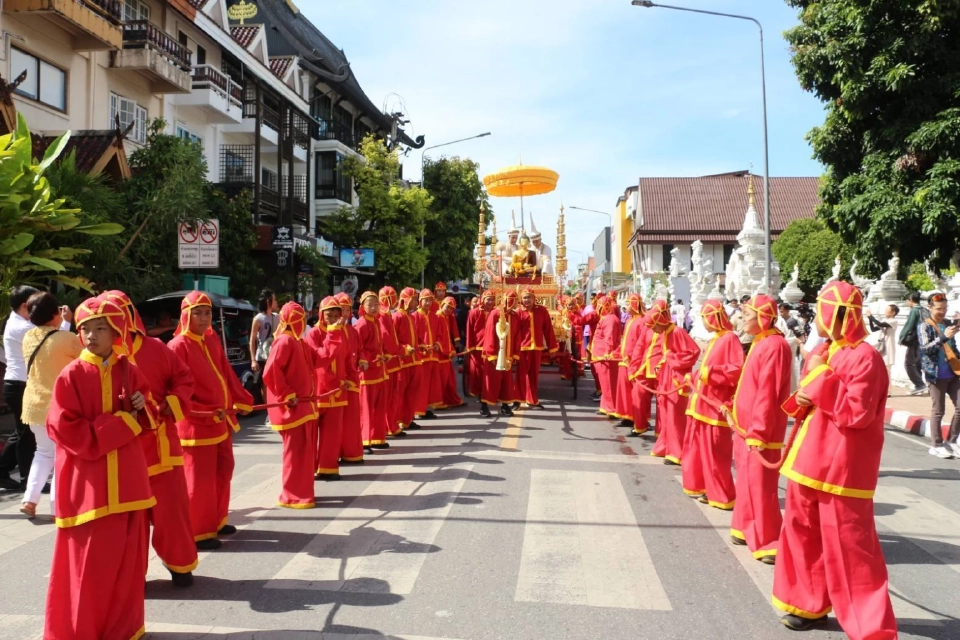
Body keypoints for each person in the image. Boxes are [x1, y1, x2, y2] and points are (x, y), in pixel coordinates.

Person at [773, 281, 897, 639]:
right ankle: (807, 604)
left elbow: (856, 413)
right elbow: (812, 399)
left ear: (839, 314)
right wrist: (814, 376)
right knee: (802, 536)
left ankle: (870, 626)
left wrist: (819, 374)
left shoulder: (864, 357)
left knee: (852, 551)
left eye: (823, 310)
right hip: (808, 462)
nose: (817, 319)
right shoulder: (828, 351)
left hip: (842, 469)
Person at [44, 298, 154, 640]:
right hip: (88, 488)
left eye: (100, 328)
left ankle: (124, 630)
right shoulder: (70, 375)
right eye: (85, 328)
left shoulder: (128, 369)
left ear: (115, 331)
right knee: (88, 570)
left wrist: (142, 407)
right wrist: (124, 423)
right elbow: (64, 428)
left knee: (127, 568)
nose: (91, 335)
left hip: (130, 486)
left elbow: (149, 414)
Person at [102, 290, 198, 587]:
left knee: (173, 514)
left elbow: (184, 377)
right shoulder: (99, 364)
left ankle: (181, 566)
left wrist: (174, 400)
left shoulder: (156, 348)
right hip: (124, 456)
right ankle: (132, 576)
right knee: (132, 523)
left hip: (163, 449)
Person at [168, 291, 253, 549]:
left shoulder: (212, 340)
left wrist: (242, 398)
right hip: (196, 425)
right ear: (186, 315)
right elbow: (176, 391)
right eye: (198, 313)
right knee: (199, 480)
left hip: (220, 421)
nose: (205, 318)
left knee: (223, 472)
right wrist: (200, 411)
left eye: (207, 313)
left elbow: (226, 373)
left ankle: (216, 520)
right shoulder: (178, 346)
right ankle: (198, 531)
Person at [727, 294, 791, 564]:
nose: (743, 318)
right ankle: (743, 526)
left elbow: (767, 392)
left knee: (760, 486)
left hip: (760, 429)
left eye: (748, 314)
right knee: (746, 480)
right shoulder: (761, 342)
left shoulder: (775, 345)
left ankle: (768, 540)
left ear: (764, 317)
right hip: (746, 425)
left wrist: (759, 431)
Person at [2, 285, 72, 492]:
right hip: (21, 384)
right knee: (28, 436)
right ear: (25, 305)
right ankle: (26, 479)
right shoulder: (24, 328)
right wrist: (66, 321)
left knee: (21, 432)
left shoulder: (21, 323)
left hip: (19, 383)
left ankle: (4, 469)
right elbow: (55, 342)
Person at [19, 292, 82, 518]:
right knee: (60, 456)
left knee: (43, 453)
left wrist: (64, 323)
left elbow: (53, 342)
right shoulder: (68, 339)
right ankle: (58, 508)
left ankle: (30, 499)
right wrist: (69, 321)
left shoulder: (29, 337)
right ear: (56, 313)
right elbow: (86, 359)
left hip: (33, 406)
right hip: (58, 406)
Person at [681, 300, 743, 509]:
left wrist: (708, 374)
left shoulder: (730, 338)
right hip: (703, 405)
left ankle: (723, 495)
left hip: (715, 406)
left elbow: (735, 370)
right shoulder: (717, 339)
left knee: (715, 454)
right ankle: (708, 488)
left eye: (704, 318)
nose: (703, 323)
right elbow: (708, 367)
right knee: (701, 453)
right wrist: (693, 376)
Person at [263, 302, 319, 507]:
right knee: (296, 453)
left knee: (304, 452)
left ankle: (302, 491)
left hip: (305, 406)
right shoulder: (285, 341)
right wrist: (287, 395)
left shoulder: (300, 342)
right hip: (293, 407)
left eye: (302, 317)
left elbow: (318, 360)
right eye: (297, 317)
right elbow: (270, 372)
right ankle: (292, 495)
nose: (301, 321)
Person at [633, 300, 700, 463]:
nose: (653, 330)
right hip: (665, 379)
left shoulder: (677, 332)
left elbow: (693, 352)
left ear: (661, 321)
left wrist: (671, 358)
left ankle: (677, 453)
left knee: (675, 417)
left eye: (654, 326)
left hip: (676, 381)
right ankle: (665, 446)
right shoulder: (666, 333)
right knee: (665, 416)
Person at [305, 296, 352, 479]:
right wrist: (336, 383)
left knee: (332, 433)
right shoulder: (313, 334)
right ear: (321, 315)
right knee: (312, 434)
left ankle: (328, 467)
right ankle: (309, 468)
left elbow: (348, 358)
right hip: (319, 392)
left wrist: (349, 378)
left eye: (335, 315)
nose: (332, 319)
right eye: (328, 315)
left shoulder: (342, 333)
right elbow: (319, 363)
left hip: (339, 390)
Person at [918, 292, 960, 458]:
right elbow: (925, 349)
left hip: (953, 373)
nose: (942, 311)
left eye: (944, 308)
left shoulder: (948, 324)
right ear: (930, 308)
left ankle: (951, 441)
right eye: (938, 308)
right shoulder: (925, 326)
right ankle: (936, 444)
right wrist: (943, 337)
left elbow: (953, 347)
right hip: (935, 374)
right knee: (938, 411)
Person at [355, 292, 390, 451]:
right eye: (370, 305)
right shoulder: (362, 324)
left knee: (379, 406)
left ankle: (377, 437)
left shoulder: (376, 322)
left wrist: (385, 355)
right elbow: (358, 349)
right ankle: (365, 439)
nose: (375, 307)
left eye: (377, 304)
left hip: (379, 370)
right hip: (368, 372)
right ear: (363, 307)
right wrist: (372, 359)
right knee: (367, 408)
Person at [333, 293, 366, 463]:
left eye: (347, 309)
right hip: (337, 383)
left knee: (352, 419)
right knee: (336, 423)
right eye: (342, 309)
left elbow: (360, 350)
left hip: (353, 380)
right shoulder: (330, 332)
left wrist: (362, 360)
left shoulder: (353, 331)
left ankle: (352, 452)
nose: (345, 313)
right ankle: (335, 453)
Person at [516, 288, 559, 409]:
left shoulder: (541, 311)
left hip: (537, 347)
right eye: (524, 298)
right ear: (521, 299)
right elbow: (514, 332)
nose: (527, 300)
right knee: (521, 375)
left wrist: (552, 348)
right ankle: (518, 400)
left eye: (529, 297)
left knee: (534, 374)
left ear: (534, 298)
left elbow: (548, 329)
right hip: (522, 348)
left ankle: (532, 399)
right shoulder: (518, 312)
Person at [480, 291, 521, 418]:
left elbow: (517, 337)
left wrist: (515, 354)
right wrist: (491, 354)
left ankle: (505, 406)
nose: (514, 304)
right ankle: (484, 406)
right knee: (490, 381)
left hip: (507, 355)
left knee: (506, 383)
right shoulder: (495, 314)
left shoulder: (514, 316)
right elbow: (490, 334)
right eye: (512, 301)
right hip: (495, 356)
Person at [394, 288, 424, 431]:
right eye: (414, 299)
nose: (416, 302)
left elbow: (415, 337)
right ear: (406, 300)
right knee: (400, 393)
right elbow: (393, 341)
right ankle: (398, 420)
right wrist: (404, 349)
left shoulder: (410, 317)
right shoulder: (397, 317)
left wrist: (421, 345)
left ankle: (408, 419)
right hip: (403, 361)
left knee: (412, 392)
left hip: (414, 360)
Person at [614, 294, 646, 428]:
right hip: (624, 359)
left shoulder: (642, 321)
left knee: (635, 392)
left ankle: (638, 418)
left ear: (634, 305)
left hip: (634, 361)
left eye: (628, 304)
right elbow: (625, 340)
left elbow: (641, 343)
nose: (626, 306)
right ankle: (627, 416)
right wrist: (617, 352)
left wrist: (633, 357)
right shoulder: (629, 321)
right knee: (624, 391)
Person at [378, 287, 406, 437]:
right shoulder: (383, 316)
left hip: (393, 362)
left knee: (393, 395)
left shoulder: (387, 315)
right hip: (389, 362)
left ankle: (391, 424)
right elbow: (387, 340)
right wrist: (401, 350)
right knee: (389, 397)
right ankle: (389, 425)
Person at [590, 295, 622, 418]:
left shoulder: (610, 319)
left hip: (606, 357)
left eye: (599, 305)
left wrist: (608, 353)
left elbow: (610, 338)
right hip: (600, 356)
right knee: (605, 384)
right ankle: (605, 407)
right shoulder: (606, 318)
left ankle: (612, 408)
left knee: (609, 384)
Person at [414, 289, 442, 417]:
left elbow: (440, 334)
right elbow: (414, 336)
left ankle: (425, 408)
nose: (428, 303)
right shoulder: (415, 316)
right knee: (421, 385)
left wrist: (437, 344)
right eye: (426, 300)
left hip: (433, 356)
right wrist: (422, 346)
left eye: (430, 300)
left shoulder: (435, 317)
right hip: (422, 356)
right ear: (420, 301)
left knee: (431, 384)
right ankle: (419, 410)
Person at [249, 289, 279, 404]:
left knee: (274, 382)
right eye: (274, 299)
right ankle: (267, 408)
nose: (276, 302)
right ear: (268, 302)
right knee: (263, 383)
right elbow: (252, 340)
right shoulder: (258, 319)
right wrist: (253, 360)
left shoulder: (277, 317)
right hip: (262, 356)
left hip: (275, 355)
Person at [437, 297, 464, 409]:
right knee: (442, 380)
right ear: (442, 305)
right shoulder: (438, 317)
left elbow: (448, 336)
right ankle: (439, 401)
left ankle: (451, 399)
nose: (449, 310)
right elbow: (438, 337)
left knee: (449, 379)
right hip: (440, 353)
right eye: (447, 307)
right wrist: (446, 350)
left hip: (446, 352)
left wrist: (452, 348)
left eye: (451, 308)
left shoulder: (447, 317)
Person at [465, 291, 494, 398]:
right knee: (478, 372)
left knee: (490, 372)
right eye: (488, 299)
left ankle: (489, 392)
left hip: (491, 347)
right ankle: (479, 392)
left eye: (492, 299)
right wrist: (470, 346)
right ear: (483, 300)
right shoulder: (474, 313)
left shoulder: (495, 313)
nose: (490, 302)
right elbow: (469, 329)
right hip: (478, 346)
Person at [899, 291, 927, 395]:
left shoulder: (914, 311)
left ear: (911, 300)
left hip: (915, 340)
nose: (907, 302)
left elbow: (909, 325)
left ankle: (919, 384)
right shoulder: (925, 310)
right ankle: (919, 387)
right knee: (917, 363)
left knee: (908, 363)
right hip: (923, 340)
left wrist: (901, 337)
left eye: (907, 300)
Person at [866, 304, 899, 382]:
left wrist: (871, 316)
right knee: (881, 369)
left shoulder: (893, 321)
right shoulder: (886, 321)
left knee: (887, 370)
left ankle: (888, 391)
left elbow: (879, 324)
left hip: (888, 347)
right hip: (882, 347)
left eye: (887, 310)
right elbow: (873, 329)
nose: (885, 312)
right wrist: (869, 318)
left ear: (893, 312)